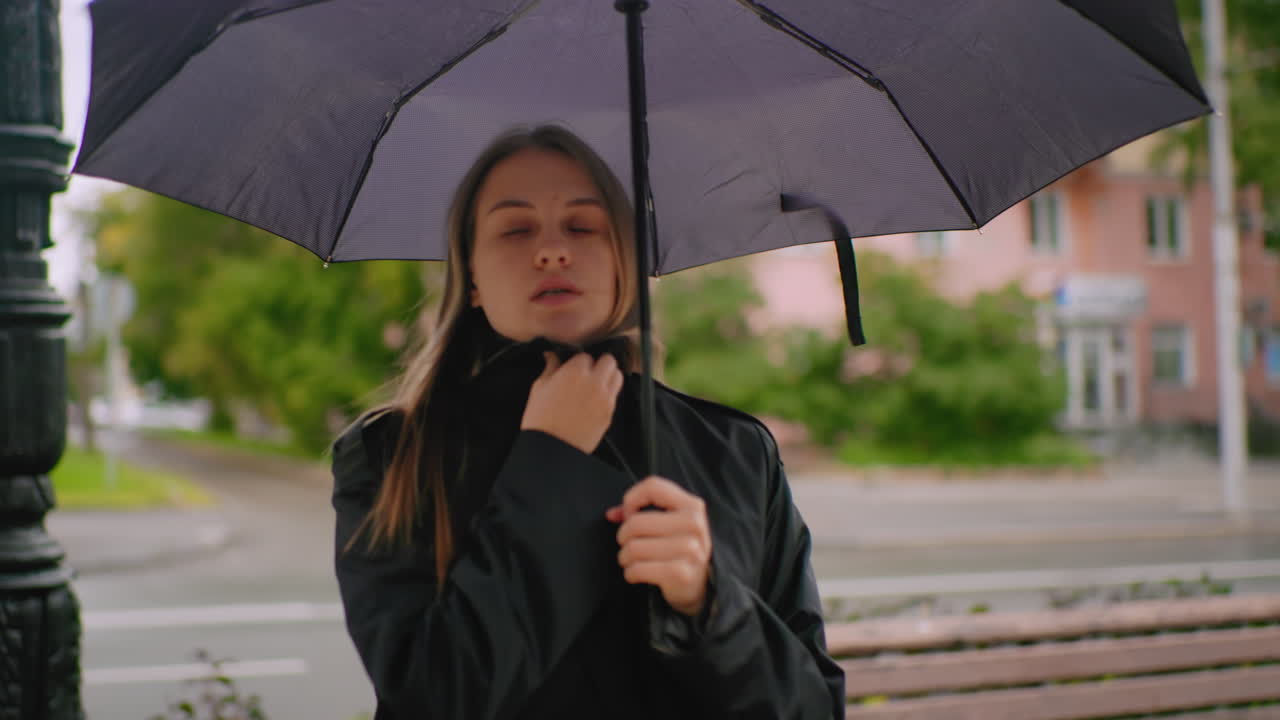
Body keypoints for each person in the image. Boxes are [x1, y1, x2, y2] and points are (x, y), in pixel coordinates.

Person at [331, 124, 845, 719]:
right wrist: (552, 461)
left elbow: (814, 709)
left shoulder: (736, 452)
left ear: (623, 262)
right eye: (516, 229)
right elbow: (433, 697)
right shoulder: (393, 456)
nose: (552, 251)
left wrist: (710, 605)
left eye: (582, 226)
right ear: (471, 278)